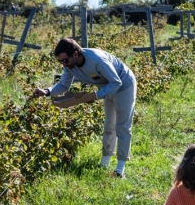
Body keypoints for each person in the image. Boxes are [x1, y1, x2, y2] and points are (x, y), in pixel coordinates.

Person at [32, 38, 136, 177]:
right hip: (106, 87)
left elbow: (116, 82)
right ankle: (104, 162)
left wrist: (95, 96)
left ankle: (120, 170)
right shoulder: (70, 66)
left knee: (122, 126)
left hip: (124, 85)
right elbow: (63, 85)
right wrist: (47, 91)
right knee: (109, 125)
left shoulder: (97, 60)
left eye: (65, 60)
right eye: (60, 61)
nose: (63, 64)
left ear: (75, 54)